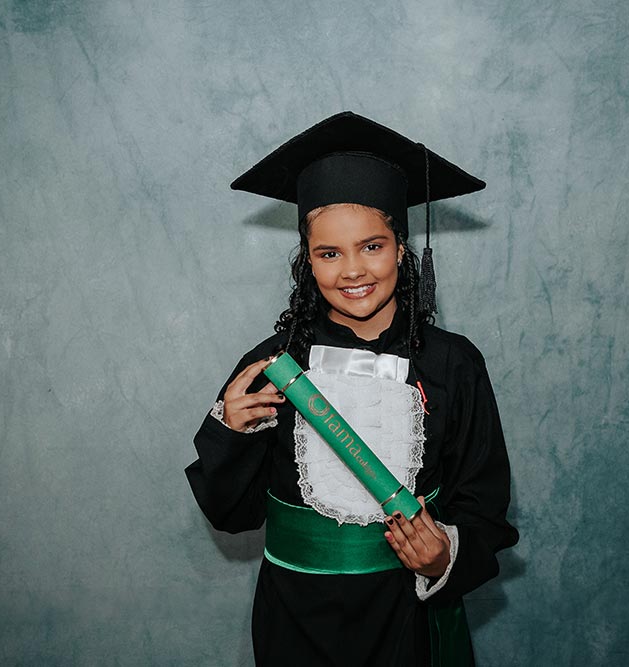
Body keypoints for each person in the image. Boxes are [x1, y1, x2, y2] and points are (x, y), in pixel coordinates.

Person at [186, 111, 518, 666]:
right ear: (307, 261)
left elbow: (483, 507)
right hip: (294, 621)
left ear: (401, 248)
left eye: (372, 246)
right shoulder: (272, 367)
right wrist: (232, 433)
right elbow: (233, 515)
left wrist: (442, 560)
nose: (352, 271)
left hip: (407, 619)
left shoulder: (453, 364)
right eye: (329, 253)